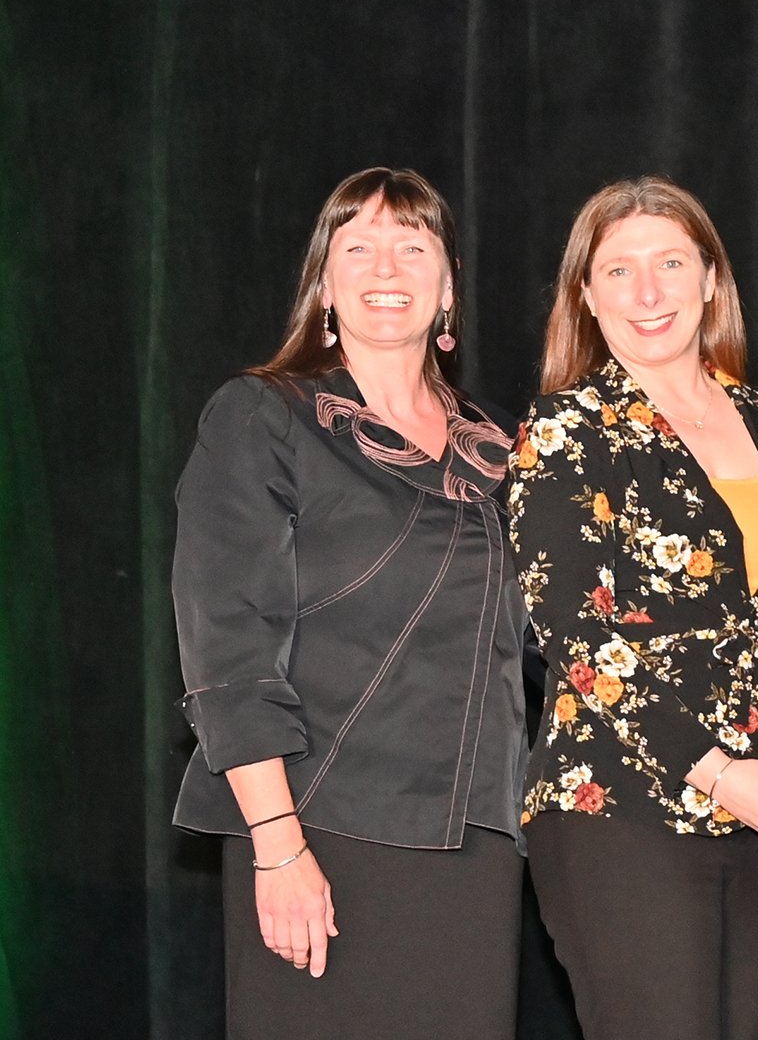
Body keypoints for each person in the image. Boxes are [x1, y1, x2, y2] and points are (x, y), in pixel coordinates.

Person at [171, 168, 528, 1039]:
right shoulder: (263, 415)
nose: (387, 267)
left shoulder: (505, 450)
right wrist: (279, 846)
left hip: (476, 839)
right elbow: (227, 646)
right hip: (320, 824)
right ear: (323, 285)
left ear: (448, 289)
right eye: (356, 245)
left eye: (414, 246)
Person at [510, 176, 758, 1040]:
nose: (649, 292)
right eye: (618, 271)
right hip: (620, 810)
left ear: (711, 279)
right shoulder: (566, 431)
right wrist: (717, 771)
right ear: (586, 297)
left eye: (670, 262)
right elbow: (578, 640)